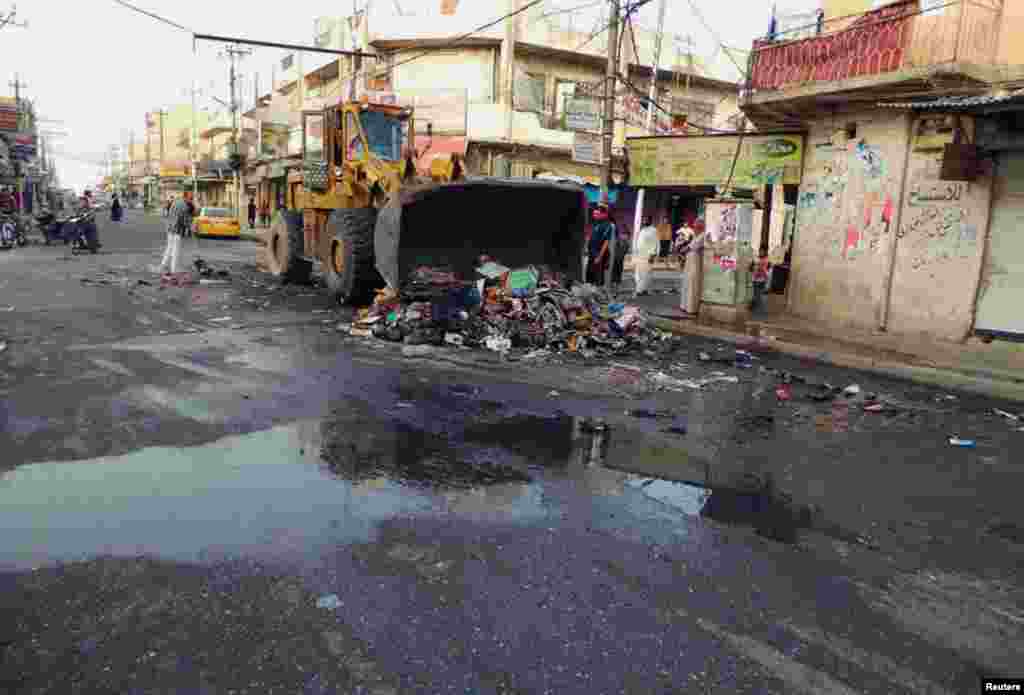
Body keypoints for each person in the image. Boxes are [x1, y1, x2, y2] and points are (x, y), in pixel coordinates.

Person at [158, 192, 194, 275]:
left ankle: (163, 265)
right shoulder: (184, 206)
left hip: (170, 228)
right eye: (190, 198)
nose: (191, 200)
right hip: (177, 230)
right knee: (175, 250)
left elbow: (169, 214)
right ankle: (173, 269)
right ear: (185, 197)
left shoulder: (176, 202)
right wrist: (190, 228)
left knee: (169, 248)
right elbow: (185, 220)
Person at [680, 219, 706, 317]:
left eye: (696, 226)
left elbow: (692, 247)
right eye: (694, 226)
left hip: (695, 262)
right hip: (690, 261)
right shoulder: (696, 236)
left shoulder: (702, 236)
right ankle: (685, 306)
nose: (694, 228)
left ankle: (691, 307)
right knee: (687, 282)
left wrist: (683, 249)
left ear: (700, 226)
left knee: (692, 283)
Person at [586, 203, 615, 285]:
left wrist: (599, 257)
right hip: (592, 254)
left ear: (604, 214)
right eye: (594, 214)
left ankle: (599, 295)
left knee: (597, 279)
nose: (594, 215)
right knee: (590, 277)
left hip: (599, 256)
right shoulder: (597, 224)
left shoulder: (608, 225)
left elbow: (606, 242)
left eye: (597, 214)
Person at [633, 216, 659, 296]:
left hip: (648, 256)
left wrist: (653, 254)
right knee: (639, 274)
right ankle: (642, 289)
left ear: (650, 221)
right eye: (643, 220)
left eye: (646, 220)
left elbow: (656, 243)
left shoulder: (654, 230)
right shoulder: (642, 230)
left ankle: (641, 291)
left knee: (646, 274)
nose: (644, 221)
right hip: (640, 256)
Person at [611, 225, 630, 294]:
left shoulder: (627, 244)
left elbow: (623, 254)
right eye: (623, 234)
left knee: (618, 276)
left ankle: (617, 290)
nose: (625, 237)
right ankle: (613, 290)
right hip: (613, 261)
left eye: (627, 235)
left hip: (620, 262)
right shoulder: (615, 242)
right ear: (620, 235)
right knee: (613, 277)